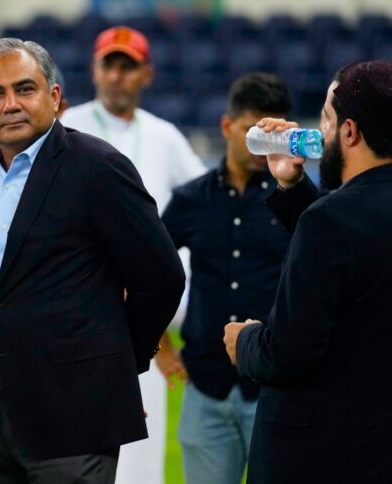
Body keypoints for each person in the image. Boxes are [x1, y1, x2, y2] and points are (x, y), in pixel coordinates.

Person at [0, 37, 185, 483]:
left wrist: (115, 364)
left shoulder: (98, 167)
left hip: (77, 411)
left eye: (25, 89)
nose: (11, 104)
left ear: (54, 97)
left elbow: (162, 278)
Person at [223, 60, 392, 483]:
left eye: (326, 120)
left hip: (321, 459)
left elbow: (287, 355)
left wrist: (244, 341)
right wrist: (292, 185)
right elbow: (358, 257)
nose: (319, 133)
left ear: (349, 132)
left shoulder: (329, 221)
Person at [60, 25, 206, 483]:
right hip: (81, 305)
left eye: (128, 66)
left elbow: (203, 202)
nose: (117, 76)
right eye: (110, 65)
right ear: (95, 70)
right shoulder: (66, 128)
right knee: (73, 448)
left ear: (147, 74)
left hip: (143, 315)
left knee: (142, 451)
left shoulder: (164, 136)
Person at [161, 72, 292, 484]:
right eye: (253, 131)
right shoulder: (190, 199)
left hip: (276, 389)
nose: (261, 145)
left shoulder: (297, 202)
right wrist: (157, 342)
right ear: (226, 125)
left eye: (272, 135)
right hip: (206, 386)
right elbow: (147, 268)